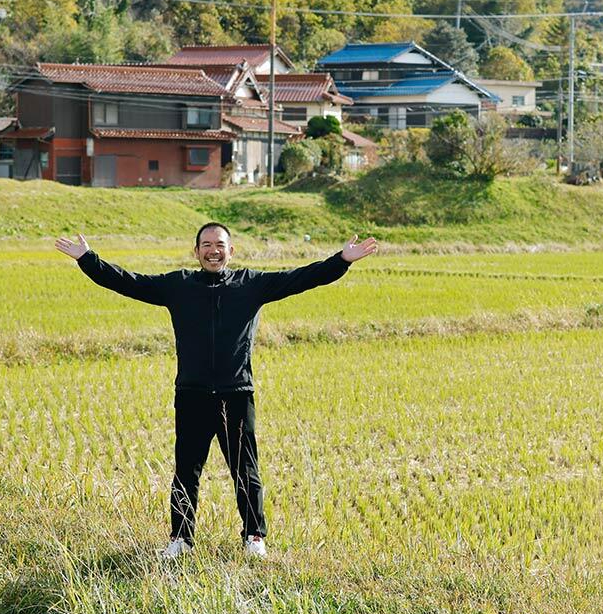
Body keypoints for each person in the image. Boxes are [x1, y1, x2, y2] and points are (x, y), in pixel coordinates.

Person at [55, 222, 377, 560]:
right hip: (192, 394)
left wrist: (342, 259)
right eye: (206, 245)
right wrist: (88, 259)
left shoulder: (252, 284)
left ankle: (254, 536)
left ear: (231, 251)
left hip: (236, 393)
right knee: (186, 471)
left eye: (220, 244)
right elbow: (127, 282)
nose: (213, 250)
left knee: (245, 469)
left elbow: (302, 278)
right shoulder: (177, 286)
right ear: (196, 252)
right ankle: (180, 539)